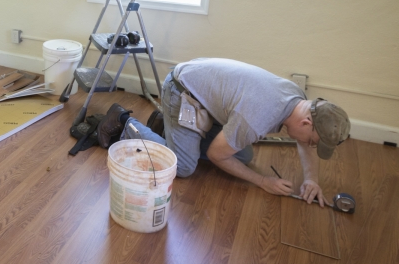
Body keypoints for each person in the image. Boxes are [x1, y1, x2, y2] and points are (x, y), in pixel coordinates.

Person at [95, 58, 350, 206]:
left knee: (243, 155)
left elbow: (304, 144)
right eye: (314, 141)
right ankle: (124, 119)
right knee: (183, 168)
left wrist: (312, 180)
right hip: (181, 90)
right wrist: (263, 182)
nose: (310, 145)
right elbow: (217, 155)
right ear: (306, 123)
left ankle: (166, 126)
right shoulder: (258, 117)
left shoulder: (299, 100)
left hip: (205, 97)